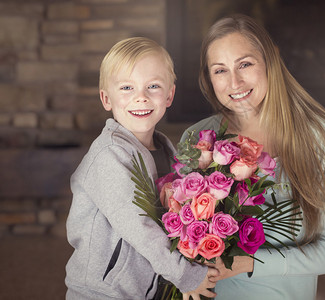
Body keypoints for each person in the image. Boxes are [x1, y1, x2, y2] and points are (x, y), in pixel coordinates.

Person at [181, 14, 325, 300]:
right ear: (208, 77)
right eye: (220, 70)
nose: (234, 82)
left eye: (245, 64)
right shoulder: (197, 138)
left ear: (270, 61)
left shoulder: (322, 137)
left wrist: (249, 264)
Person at [65, 37, 218, 300]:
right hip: (102, 293)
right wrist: (185, 276)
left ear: (169, 95)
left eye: (153, 86)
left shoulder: (167, 151)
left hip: (145, 290)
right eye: (126, 87)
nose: (141, 97)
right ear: (106, 98)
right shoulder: (108, 155)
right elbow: (139, 226)